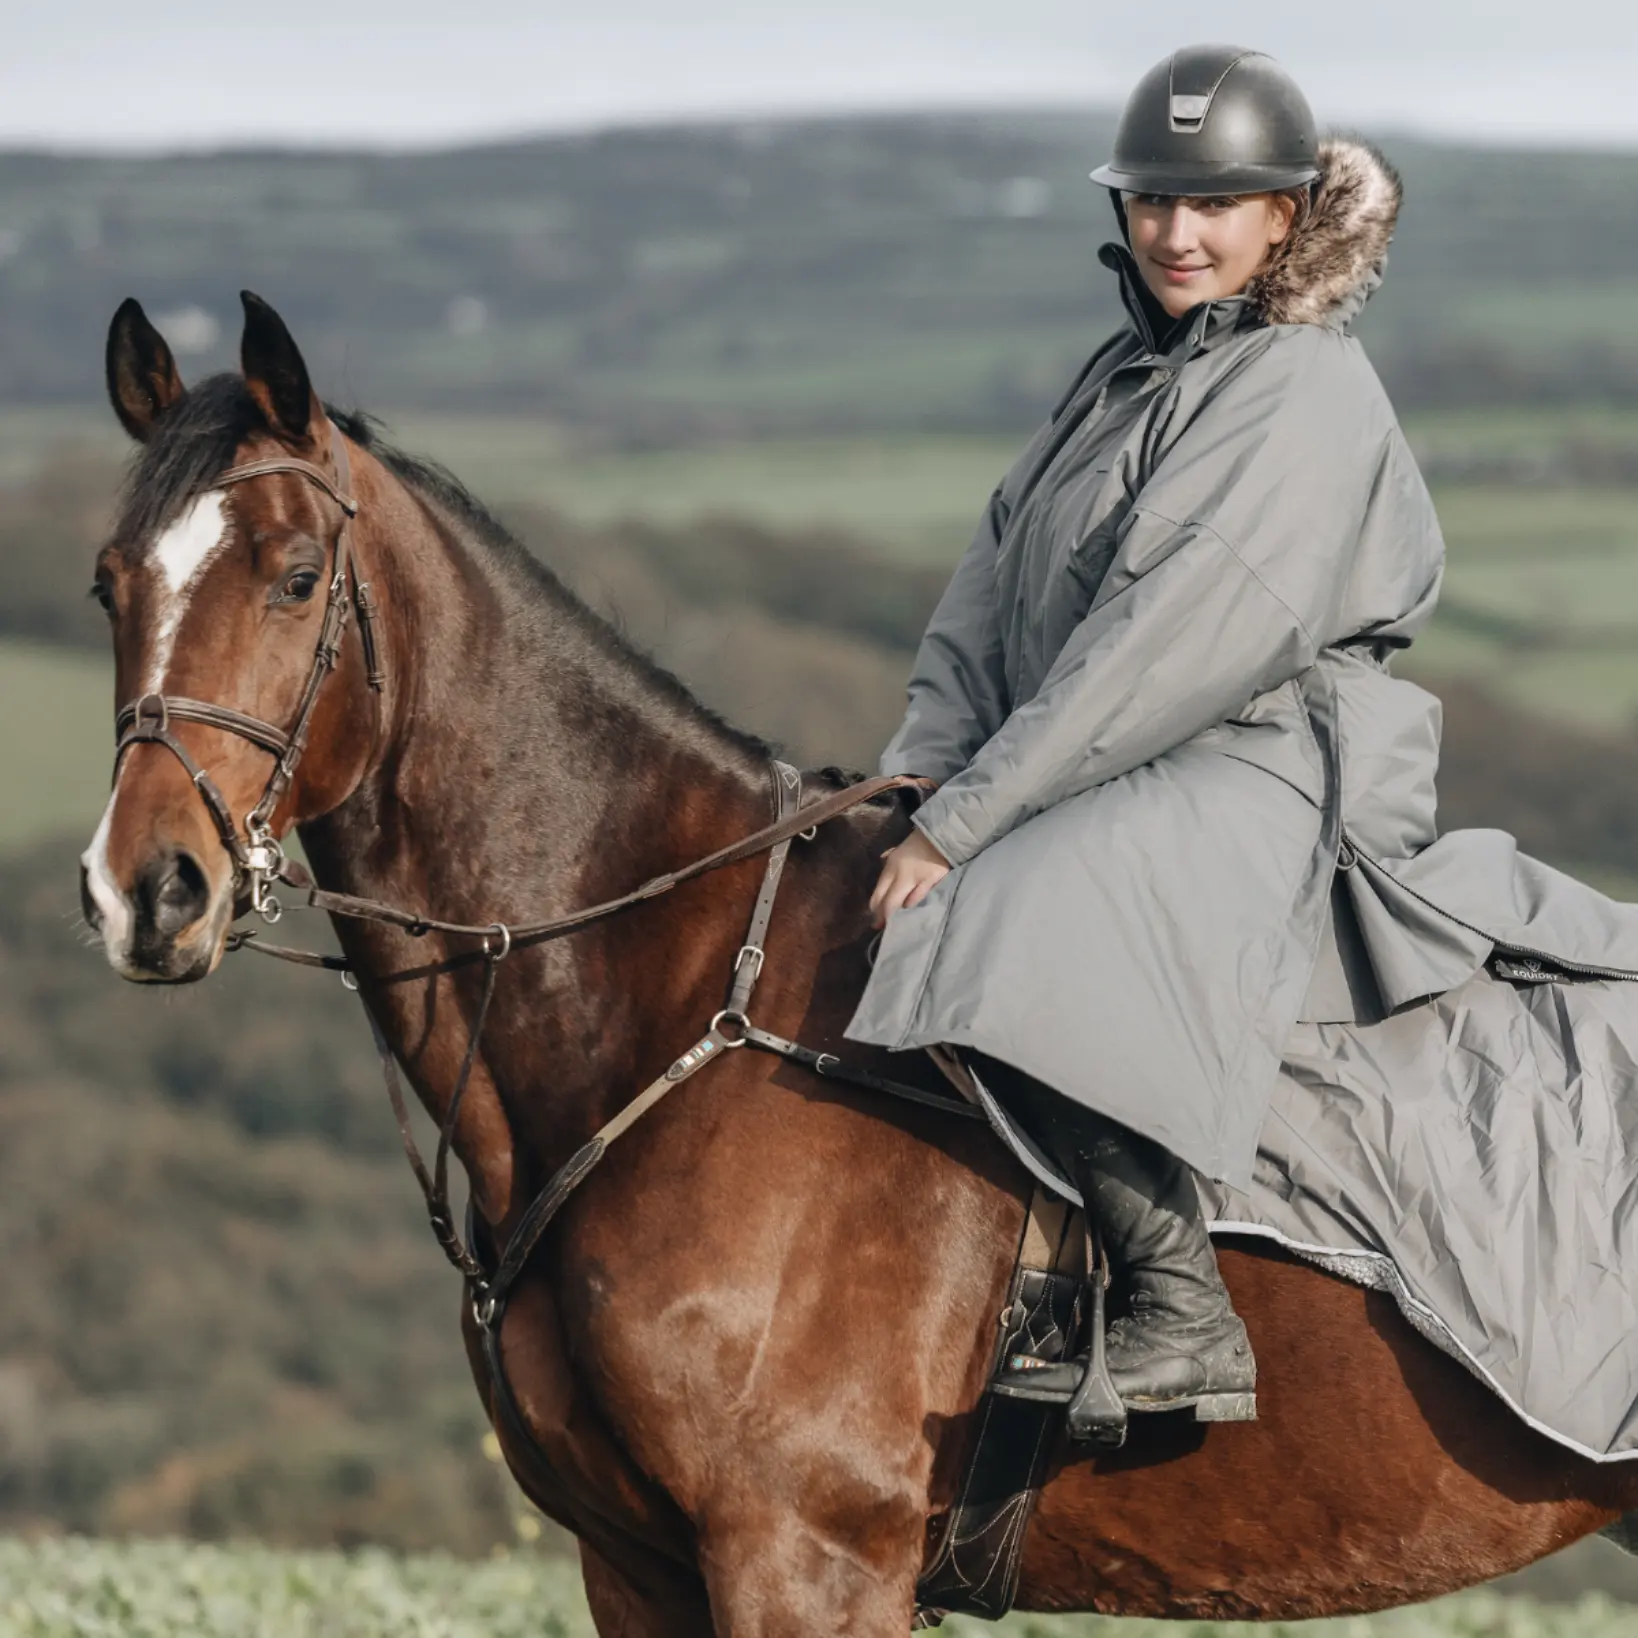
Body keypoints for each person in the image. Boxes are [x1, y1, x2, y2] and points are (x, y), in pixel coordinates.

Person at [845, 43, 1437, 1433]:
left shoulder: (1301, 387)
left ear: (1282, 216)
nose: (1176, 233)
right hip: (1107, 738)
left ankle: (1181, 1305)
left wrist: (965, 826)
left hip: (1251, 754)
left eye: (1213, 205)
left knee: (1019, 916)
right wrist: (925, 759)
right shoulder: (1124, 370)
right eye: (1153, 202)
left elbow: (1166, 648)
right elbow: (989, 579)